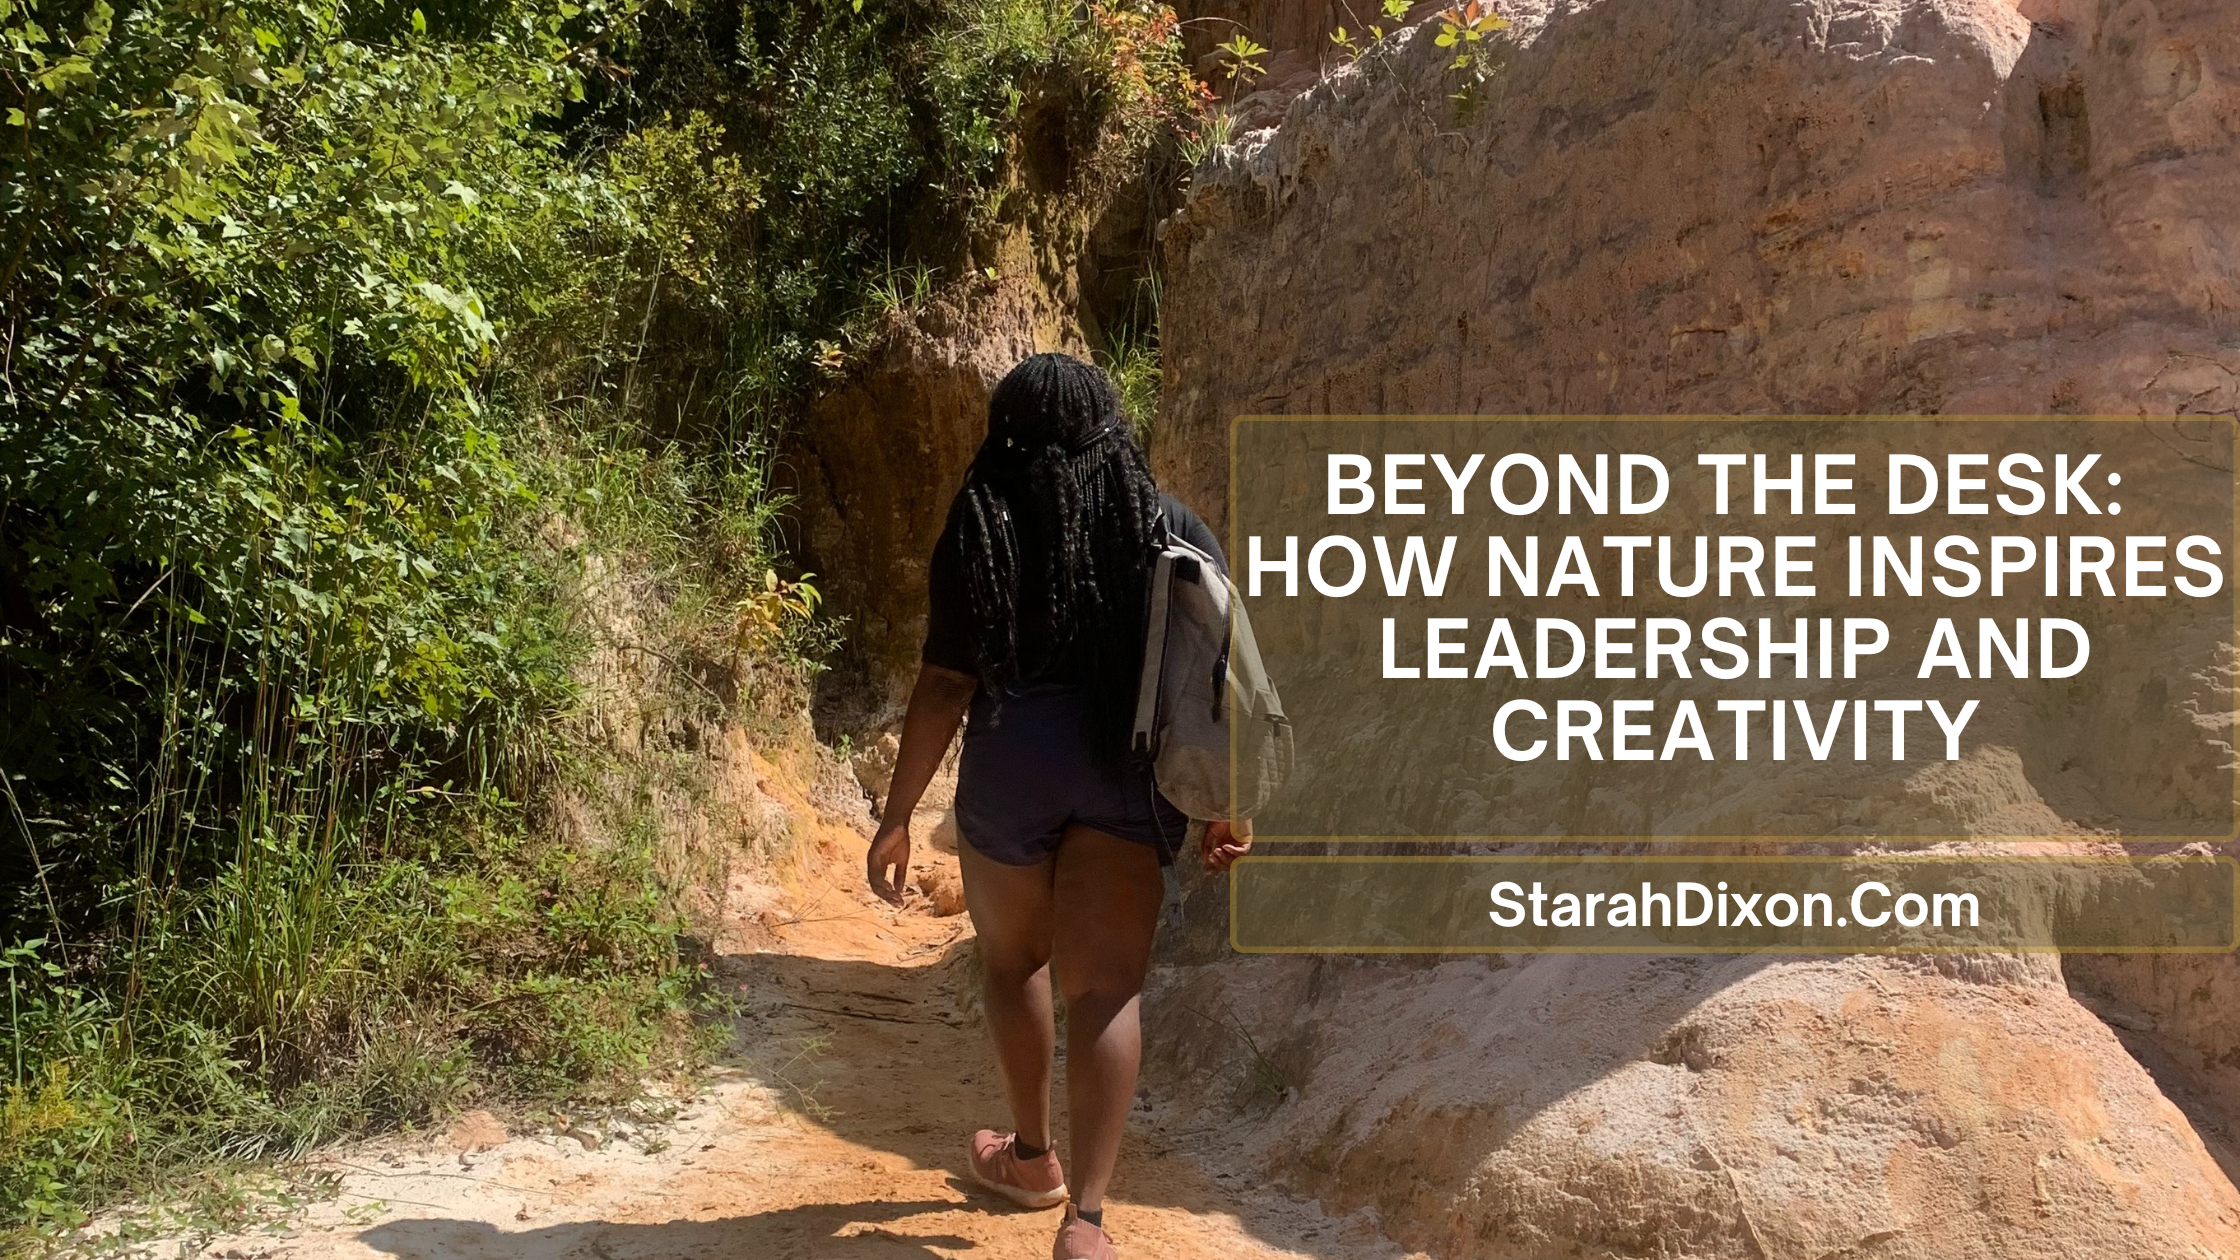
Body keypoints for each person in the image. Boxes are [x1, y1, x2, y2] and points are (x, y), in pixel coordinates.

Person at [866, 353, 1250, 1260]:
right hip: (1128, 770)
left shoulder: (982, 523)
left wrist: (895, 815)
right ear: (1113, 427)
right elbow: (1217, 677)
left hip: (1013, 766)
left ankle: (1030, 1155)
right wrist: (1230, 806)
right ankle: (1087, 1220)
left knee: (1012, 963)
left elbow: (945, 684)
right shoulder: (1167, 525)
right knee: (1107, 988)